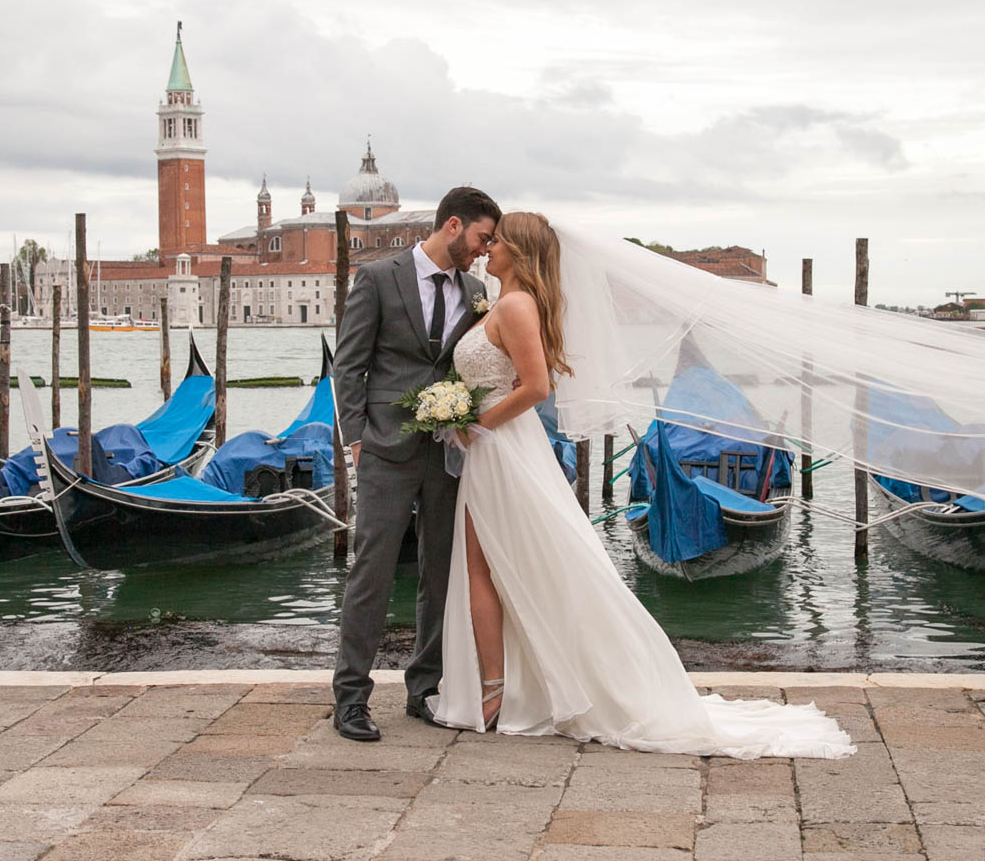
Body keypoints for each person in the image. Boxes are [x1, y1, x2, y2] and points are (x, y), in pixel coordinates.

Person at [429, 212, 855, 758]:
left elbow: (536, 387)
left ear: (520, 251)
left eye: (497, 242)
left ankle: (493, 690)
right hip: (501, 449)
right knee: (510, 564)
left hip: (501, 447)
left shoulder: (514, 305)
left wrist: (475, 423)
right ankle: (507, 683)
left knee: (484, 568)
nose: (487, 249)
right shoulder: (512, 303)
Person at [332, 186, 501, 741]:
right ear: (453, 226)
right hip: (384, 447)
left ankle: (423, 688)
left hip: (447, 450)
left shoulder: (477, 290)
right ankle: (351, 697)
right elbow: (349, 365)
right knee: (371, 571)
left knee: (440, 573)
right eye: (480, 238)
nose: (483, 251)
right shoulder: (379, 278)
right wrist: (356, 438)